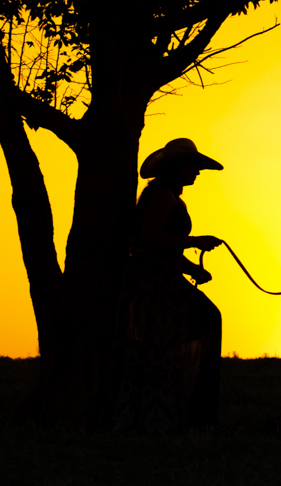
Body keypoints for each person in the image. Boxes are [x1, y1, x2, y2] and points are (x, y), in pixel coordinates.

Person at [111, 138, 225, 433]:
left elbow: (163, 244)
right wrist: (194, 242)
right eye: (193, 166)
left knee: (175, 336)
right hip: (152, 280)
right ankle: (162, 414)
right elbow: (149, 239)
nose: (197, 172)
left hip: (163, 275)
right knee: (182, 330)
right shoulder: (162, 195)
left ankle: (166, 412)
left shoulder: (170, 196)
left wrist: (191, 268)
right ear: (177, 167)